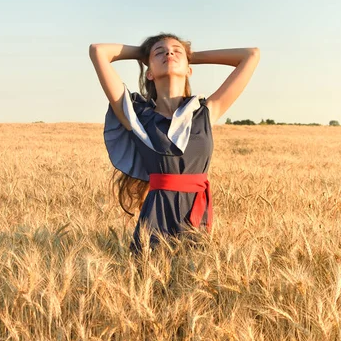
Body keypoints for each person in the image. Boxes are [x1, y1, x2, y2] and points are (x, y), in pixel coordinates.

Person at [89, 33, 260, 255]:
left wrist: (190, 56)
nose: (169, 53)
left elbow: (251, 55)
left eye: (176, 51)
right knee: (151, 283)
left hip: (196, 216)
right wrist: (146, 53)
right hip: (156, 217)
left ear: (190, 69)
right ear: (148, 72)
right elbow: (98, 51)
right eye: (160, 52)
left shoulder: (204, 113)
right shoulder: (135, 116)